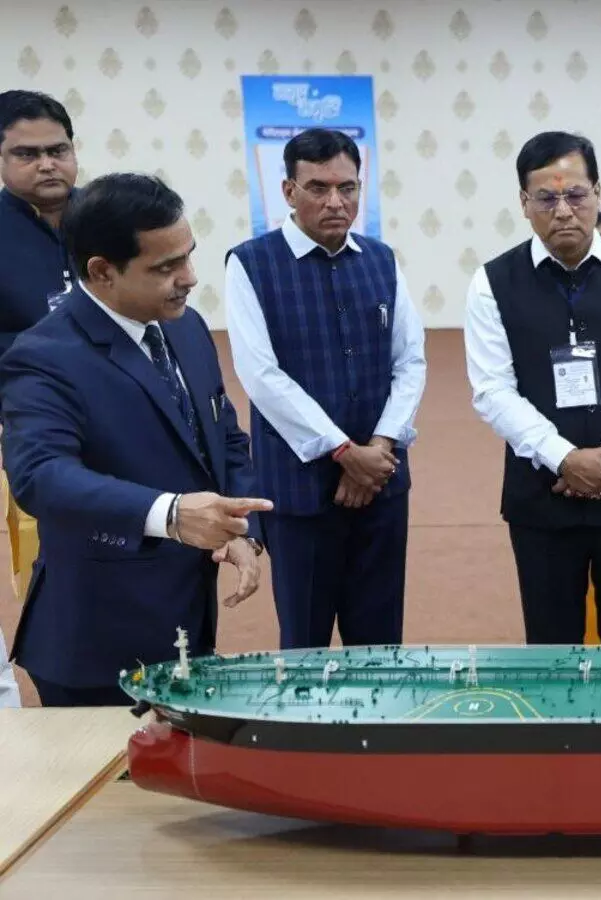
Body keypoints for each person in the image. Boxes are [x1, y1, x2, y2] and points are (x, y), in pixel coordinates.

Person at [0, 173, 271, 706]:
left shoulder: (186, 327)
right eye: (166, 267)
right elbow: (40, 475)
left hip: (187, 625)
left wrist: (239, 529)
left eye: (188, 256)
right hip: (97, 641)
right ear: (102, 271)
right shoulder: (44, 355)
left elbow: (223, 436)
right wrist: (170, 514)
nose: (189, 278)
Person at [465, 131, 601, 645]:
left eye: (576, 194)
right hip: (542, 500)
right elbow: (493, 390)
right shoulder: (491, 283)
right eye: (546, 198)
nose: (563, 211)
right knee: (551, 648)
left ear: (598, 193)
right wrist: (564, 458)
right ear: (524, 203)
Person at [224, 128, 427, 651]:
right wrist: (342, 451)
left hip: (381, 484)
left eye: (348, 187)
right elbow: (261, 375)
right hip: (300, 492)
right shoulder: (250, 264)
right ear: (289, 192)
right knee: (305, 646)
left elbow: (410, 361)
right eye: (318, 188)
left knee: (381, 646)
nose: (336, 202)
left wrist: (378, 447)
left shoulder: (382, 260)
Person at [0, 90, 81, 697]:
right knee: (51, 576)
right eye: (26, 154)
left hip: (127, 426)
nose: (47, 164)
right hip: (33, 435)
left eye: (58, 149)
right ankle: (65, 698)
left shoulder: (109, 220)